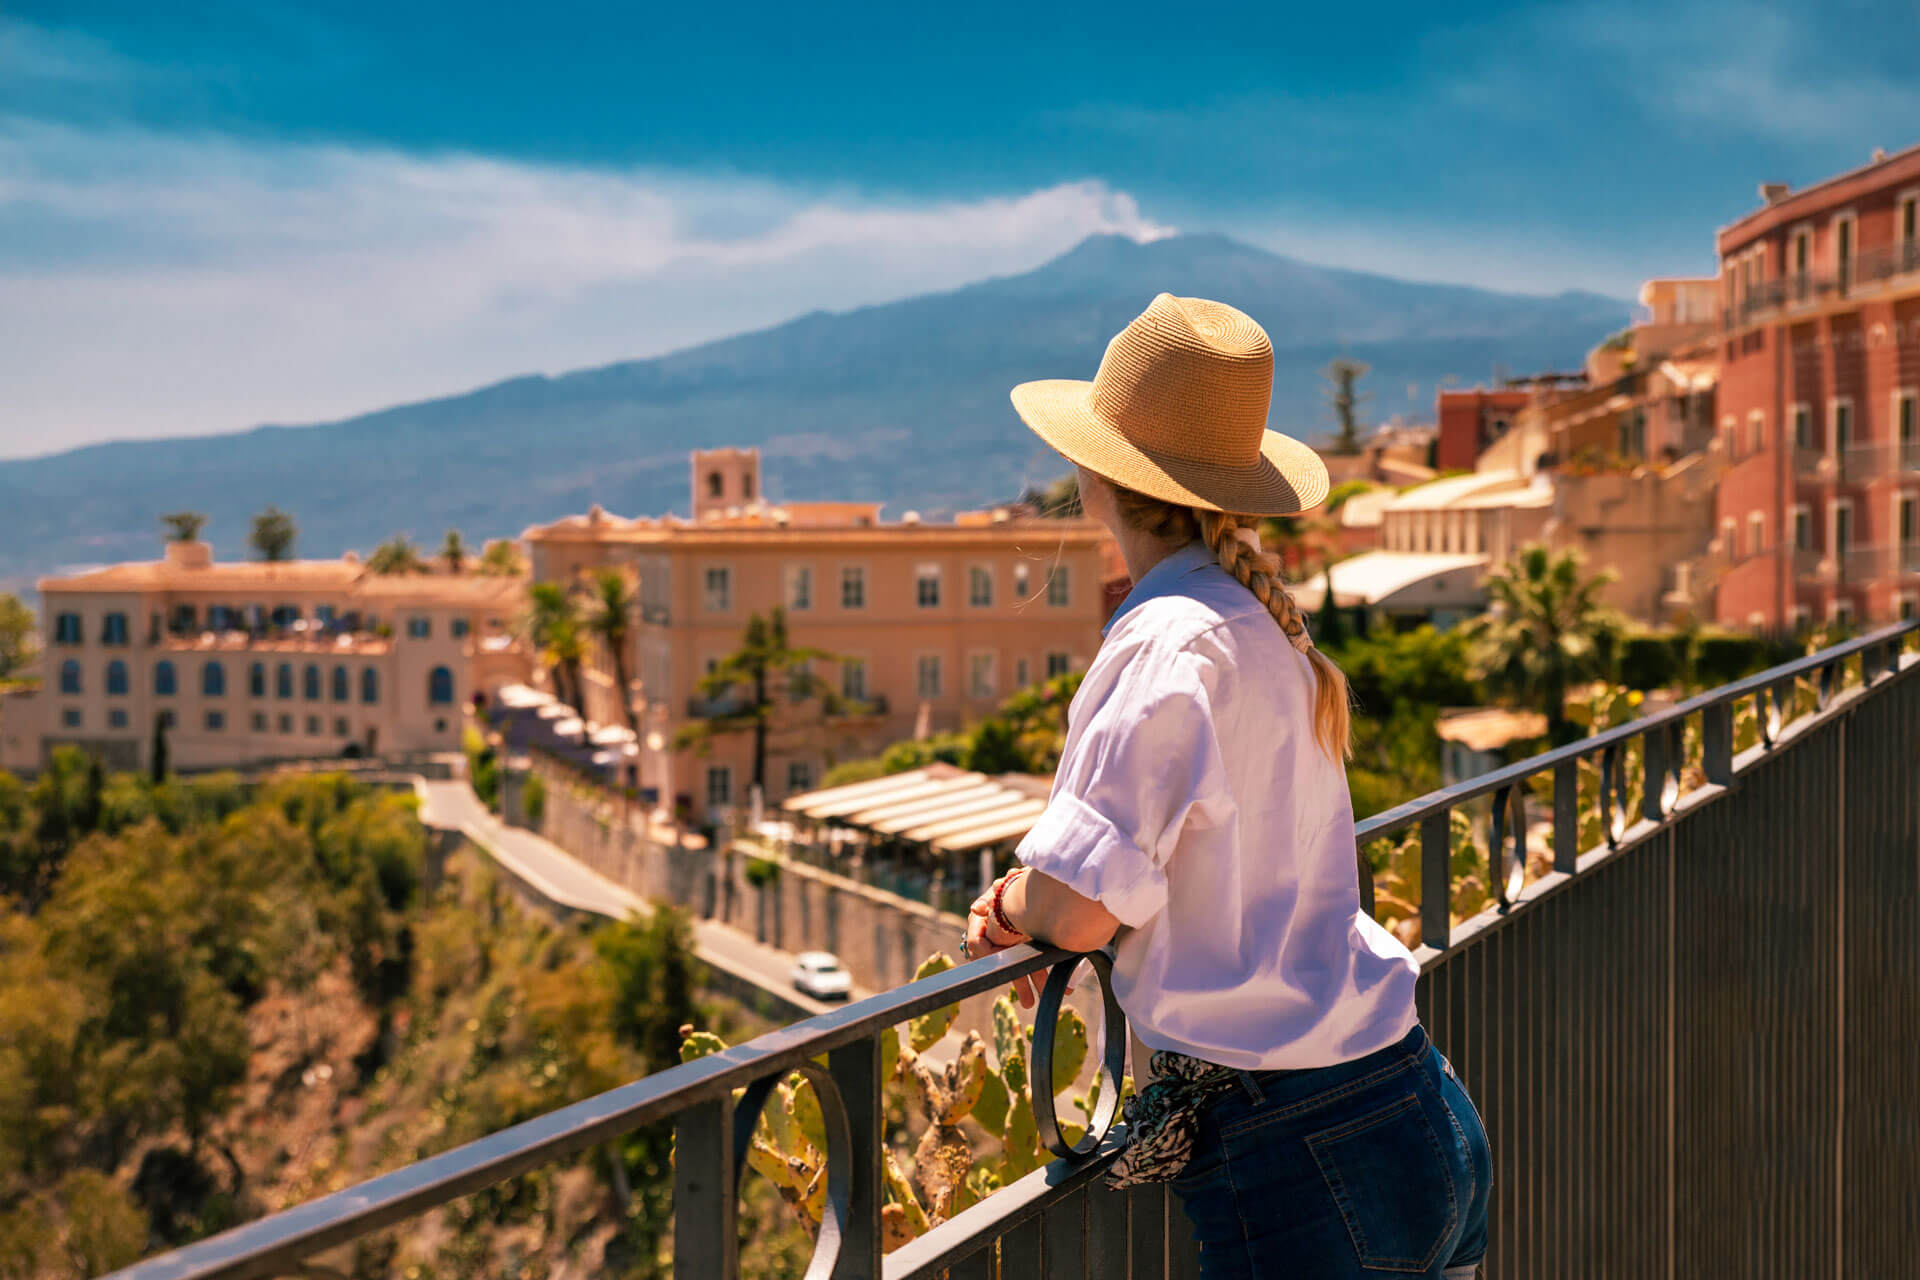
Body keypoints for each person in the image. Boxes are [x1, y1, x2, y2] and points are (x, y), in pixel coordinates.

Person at [964, 294, 1491, 1279]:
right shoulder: (1261, 628)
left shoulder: (1165, 641)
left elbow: (1078, 908)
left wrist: (1009, 904)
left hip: (1301, 1155)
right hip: (1415, 1108)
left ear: (1095, 473)